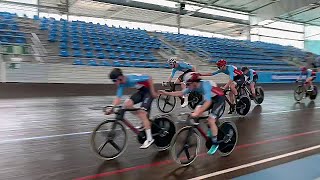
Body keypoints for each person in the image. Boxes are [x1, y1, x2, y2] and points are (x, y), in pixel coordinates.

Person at [159, 72, 225, 155]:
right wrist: (166, 93)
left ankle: (215, 143)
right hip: (210, 99)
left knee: (211, 120)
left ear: (194, 82)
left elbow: (208, 102)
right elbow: (181, 93)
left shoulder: (205, 85)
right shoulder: (193, 86)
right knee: (196, 111)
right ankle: (209, 126)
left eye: (188, 84)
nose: (187, 86)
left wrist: (198, 113)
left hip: (219, 99)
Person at [107, 68, 158, 149]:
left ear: (120, 78)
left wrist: (153, 92)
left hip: (148, 92)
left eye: (114, 81)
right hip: (142, 91)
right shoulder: (121, 83)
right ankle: (145, 120)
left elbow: (149, 78)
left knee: (142, 113)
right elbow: (118, 98)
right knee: (126, 104)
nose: (114, 83)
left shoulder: (132, 79)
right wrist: (111, 107)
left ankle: (149, 139)